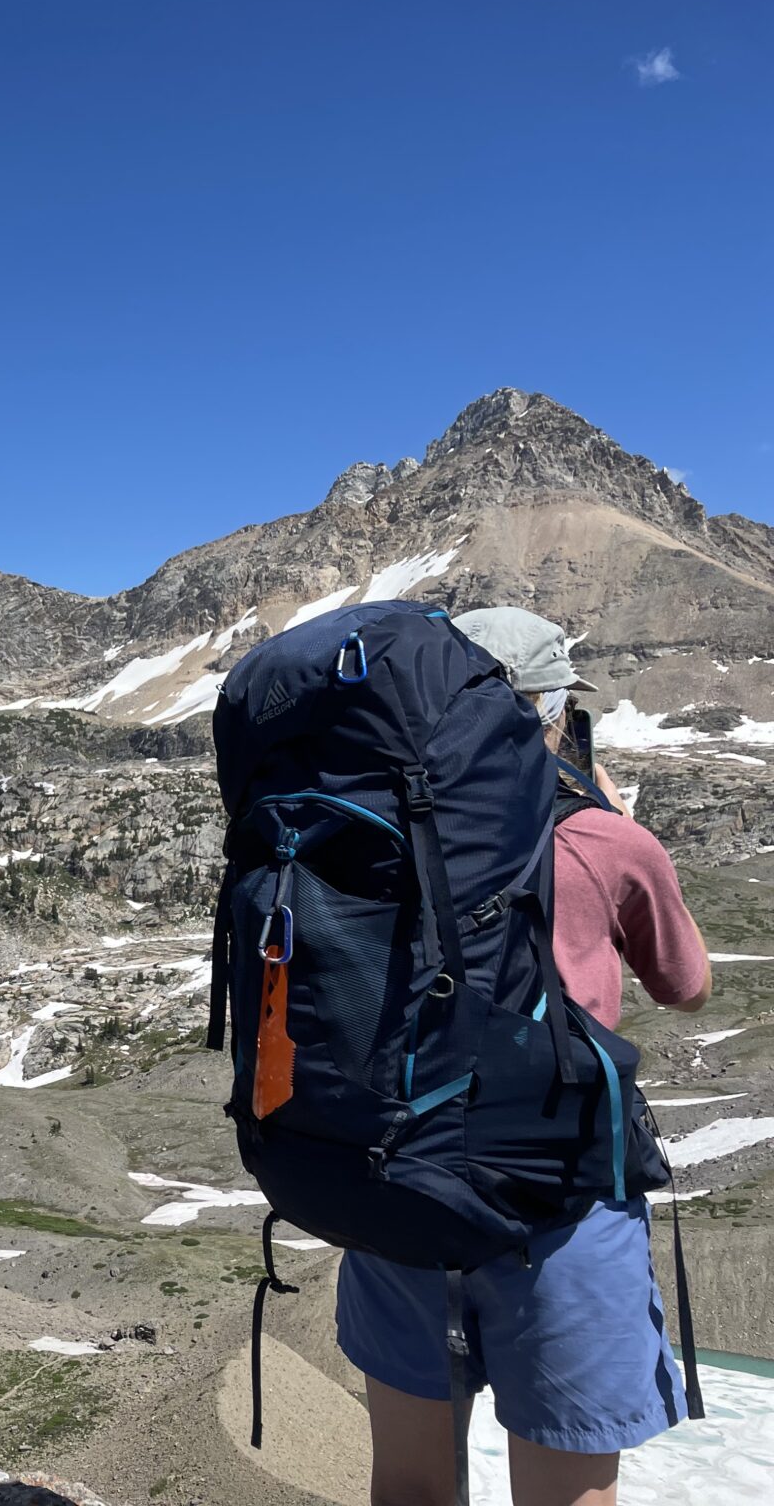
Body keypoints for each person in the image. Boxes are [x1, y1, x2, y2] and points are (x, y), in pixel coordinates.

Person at [334, 606, 714, 1506]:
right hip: (559, 1207)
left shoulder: (365, 830)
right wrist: (618, 826)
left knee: (412, 1486)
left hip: (398, 1193)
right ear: (552, 713)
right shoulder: (602, 842)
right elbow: (686, 983)